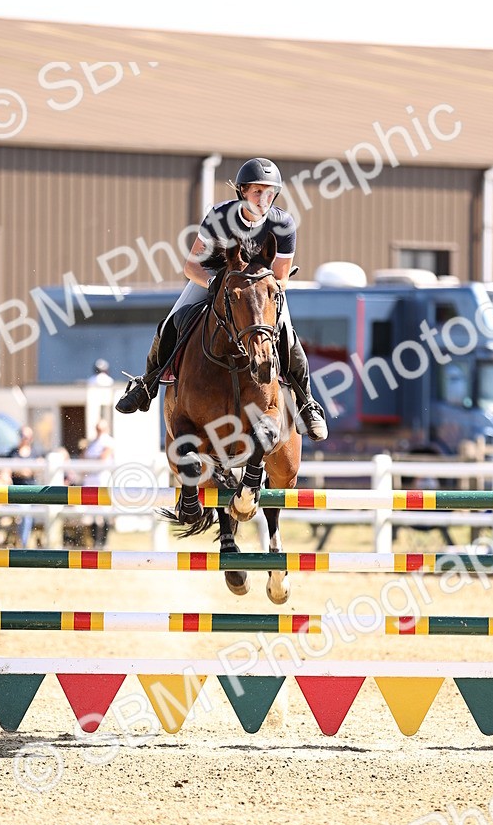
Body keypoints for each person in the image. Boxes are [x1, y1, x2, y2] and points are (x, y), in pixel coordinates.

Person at [115, 158, 328, 441]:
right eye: (257, 192)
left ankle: (307, 402)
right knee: (173, 321)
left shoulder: (283, 224)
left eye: (269, 192)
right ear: (242, 191)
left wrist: (259, 290)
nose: (263, 199)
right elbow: (191, 267)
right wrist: (219, 283)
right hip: (215, 279)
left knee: (287, 334)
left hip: (260, 290)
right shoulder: (219, 217)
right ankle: (147, 385)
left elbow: (282, 277)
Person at [82, 418, 116, 548]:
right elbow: (84, 457)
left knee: (105, 512)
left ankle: (104, 542)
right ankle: (95, 541)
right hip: (91, 479)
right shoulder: (93, 442)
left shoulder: (108, 441)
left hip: (102, 479)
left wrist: (91, 460)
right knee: (92, 513)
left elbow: (103, 457)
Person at [10, 425, 37, 548]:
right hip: (16, 493)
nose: (25, 438)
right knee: (25, 511)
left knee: (27, 512)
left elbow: (34, 470)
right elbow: (12, 470)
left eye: (27, 436)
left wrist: (21, 469)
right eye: (22, 435)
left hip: (33, 493)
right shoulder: (13, 452)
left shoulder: (36, 452)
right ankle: (23, 544)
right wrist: (26, 470)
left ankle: (23, 544)